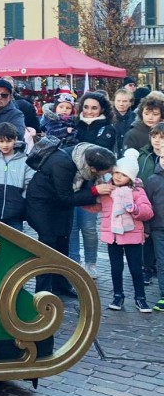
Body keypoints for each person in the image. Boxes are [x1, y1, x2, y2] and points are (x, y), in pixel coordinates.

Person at [26, 144, 117, 296]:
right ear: (93, 169)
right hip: (42, 204)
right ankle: (42, 291)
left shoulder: (85, 158)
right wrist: (95, 191)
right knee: (47, 245)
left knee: (63, 242)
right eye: (105, 172)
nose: (106, 175)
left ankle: (60, 285)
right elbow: (65, 197)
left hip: (60, 205)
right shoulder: (62, 163)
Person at [83, 149, 153, 311]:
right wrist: (82, 200)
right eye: (116, 173)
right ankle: (118, 296)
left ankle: (140, 297)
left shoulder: (137, 191)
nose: (118, 176)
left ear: (131, 176)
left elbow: (147, 211)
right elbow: (95, 207)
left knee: (136, 268)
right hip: (112, 236)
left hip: (132, 237)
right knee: (116, 268)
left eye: (123, 174)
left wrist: (134, 209)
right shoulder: (107, 190)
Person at [70, 92, 117, 277]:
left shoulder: (107, 128)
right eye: (86, 107)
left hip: (93, 182)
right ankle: (73, 260)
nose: (89, 111)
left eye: (94, 108)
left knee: (88, 227)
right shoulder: (73, 124)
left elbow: (95, 152)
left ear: (102, 109)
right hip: (71, 182)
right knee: (72, 226)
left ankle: (91, 262)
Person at [138, 123, 164, 284]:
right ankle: (147, 268)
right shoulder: (145, 155)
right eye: (154, 136)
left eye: (161, 137)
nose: (157, 141)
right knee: (147, 242)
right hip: (147, 200)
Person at [144, 154, 164, 311]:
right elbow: (148, 205)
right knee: (162, 261)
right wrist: (147, 228)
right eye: (163, 157)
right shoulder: (153, 180)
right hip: (159, 227)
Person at [112, 88, 136, 153]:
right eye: (118, 101)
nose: (121, 104)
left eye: (124, 101)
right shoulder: (107, 118)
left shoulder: (136, 118)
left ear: (130, 103)